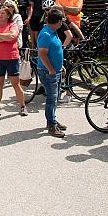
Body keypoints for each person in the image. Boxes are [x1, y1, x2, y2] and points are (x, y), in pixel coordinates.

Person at [0, 5, 28, 117]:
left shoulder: (12, 25)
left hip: (11, 57)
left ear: (8, 15)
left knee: (15, 83)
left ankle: (23, 106)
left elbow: (13, 36)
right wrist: (5, 38)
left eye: (3, 13)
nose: (0, 15)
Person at [37, 8, 67, 138]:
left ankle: (53, 119)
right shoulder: (46, 34)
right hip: (48, 72)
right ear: (59, 21)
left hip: (56, 71)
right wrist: (51, 69)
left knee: (55, 98)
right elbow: (42, 54)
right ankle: (51, 125)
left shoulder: (53, 32)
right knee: (51, 98)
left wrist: (60, 66)